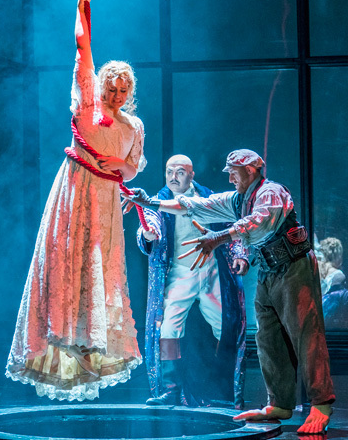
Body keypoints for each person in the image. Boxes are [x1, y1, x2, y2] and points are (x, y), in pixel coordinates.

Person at [124, 149, 335, 435]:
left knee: (305, 333)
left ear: (251, 170)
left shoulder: (270, 192)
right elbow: (198, 205)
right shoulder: (238, 199)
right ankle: (280, 403)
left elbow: (258, 222)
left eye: (234, 171)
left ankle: (321, 403)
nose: (230, 177)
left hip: (294, 266)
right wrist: (149, 201)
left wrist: (219, 238)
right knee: (268, 338)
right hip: (269, 270)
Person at [5, 0, 144, 401]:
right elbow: (82, 51)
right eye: (111, 87)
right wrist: (84, 7)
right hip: (77, 197)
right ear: (101, 86)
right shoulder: (87, 107)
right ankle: (65, 334)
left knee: (101, 275)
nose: (116, 95)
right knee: (71, 267)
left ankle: (92, 345)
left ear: (129, 93)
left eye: (123, 90)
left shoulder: (133, 127)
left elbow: (135, 163)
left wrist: (124, 167)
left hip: (106, 203)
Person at [135, 155, 248, 408]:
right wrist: (147, 233)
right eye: (169, 171)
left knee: (226, 326)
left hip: (210, 270)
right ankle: (171, 390)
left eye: (180, 172)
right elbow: (150, 222)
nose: (174, 176)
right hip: (180, 273)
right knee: (168, 328)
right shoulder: (160, 199)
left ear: (192, 175)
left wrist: (240, 255)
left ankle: (221, 389)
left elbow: (234, 225)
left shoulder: (209, 197)